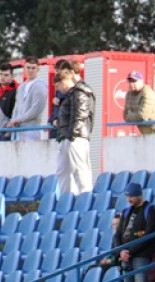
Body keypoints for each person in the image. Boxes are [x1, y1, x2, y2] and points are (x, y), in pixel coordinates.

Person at [110, 182, 155, 282]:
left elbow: (150, 235)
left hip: (141, 256)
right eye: (127, 197)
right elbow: (117, 235)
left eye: (131, 197)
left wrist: (130, 252)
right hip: (125, 256)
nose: (129, 200)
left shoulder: (150, 210)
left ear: (139, 195)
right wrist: (120, 251)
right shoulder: (125, 212)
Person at [53, 59, 95, 196]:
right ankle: (67, 198)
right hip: (67, 136)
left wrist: (72, 134)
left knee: (79, 170)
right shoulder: (72, 93)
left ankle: (85, 198)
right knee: (63, 171)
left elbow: (80, 115)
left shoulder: (80, 91)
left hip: (74, 137)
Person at [8, 57, 49, 141]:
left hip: (32, 131)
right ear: (24, 68)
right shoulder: (21, 86)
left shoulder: (40, 86)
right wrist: (13, 121)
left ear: (38, 69)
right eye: (28, 67)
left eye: (33, 68)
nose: (30, 70)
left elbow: (35, 110)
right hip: (18, 132)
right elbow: (16, 107)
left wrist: (18, 120)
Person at [0, 62, 19, 141]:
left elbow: (16, 114)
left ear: (12, 76)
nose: (2, 77)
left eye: (6, 75)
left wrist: (8, 133)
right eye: (1, 74)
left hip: (6, 134)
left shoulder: (16, 91)